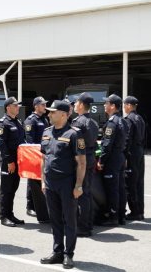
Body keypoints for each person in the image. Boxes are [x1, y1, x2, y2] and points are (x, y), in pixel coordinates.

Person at [40, 100, 86, 270]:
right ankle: (57, 251)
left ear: (64, 114)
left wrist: (78, 186)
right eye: (49, 112)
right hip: (50, 183)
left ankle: (68, 254)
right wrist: (43, 181)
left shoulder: (74, 134)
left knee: (69, 220)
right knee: (55, 219)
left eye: (53, 112)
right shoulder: (46, 132)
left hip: (67, 184)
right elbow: (43, 158)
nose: (49, 114)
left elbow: (81, 162)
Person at [97, 94, 128, 226]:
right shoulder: (123, 121)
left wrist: (101, 161)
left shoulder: (112, 122)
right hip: (120, 157)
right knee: (120, 188)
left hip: (112, 159)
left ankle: (113, 216)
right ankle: (121, 216)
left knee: (112, 189)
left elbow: (107, 144)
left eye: (106, 103)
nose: (104, 105)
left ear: (113, 106)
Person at [71, 93, 99, 237]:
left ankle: (82, 227)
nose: (74, 105)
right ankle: (88, 225)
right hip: (90, 159)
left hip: (80, 161)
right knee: (86, 194)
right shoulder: (93, 122)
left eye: (76, 102)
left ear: (81, 105)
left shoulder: (78, 122)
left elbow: (75, 144)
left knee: (79, 194)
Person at [0, 97, 26, 227]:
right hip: (9, 161)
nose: (18, 107)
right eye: (15, 105)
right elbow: (1, 144)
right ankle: (4, 216)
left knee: (13, 188)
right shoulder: (3, 123)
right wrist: (9, 161)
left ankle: (10, 214)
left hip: (18, 159)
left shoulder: (17, 122)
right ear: (8, 107)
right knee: (6, 189)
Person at [24, 96, 49, 218]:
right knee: (32, 181)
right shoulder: (31, 120)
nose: (45, 106)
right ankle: (30, 206)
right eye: (43, 104)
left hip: (44, 154)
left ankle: (40, 205)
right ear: (36, 106)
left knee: (41, 180)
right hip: (35, 154)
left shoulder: (44, 119)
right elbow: (30, 141)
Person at [123, 96, 146, 221]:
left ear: (129, 105)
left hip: (132, 153)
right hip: (140, 152)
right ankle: (140, 210)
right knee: (139, 182)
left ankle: (135, 211)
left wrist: (124, 155)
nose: (124, 107)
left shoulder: (129, 119)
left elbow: (127, 139)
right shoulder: (140, 118)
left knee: (131, 182)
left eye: (124, 105)